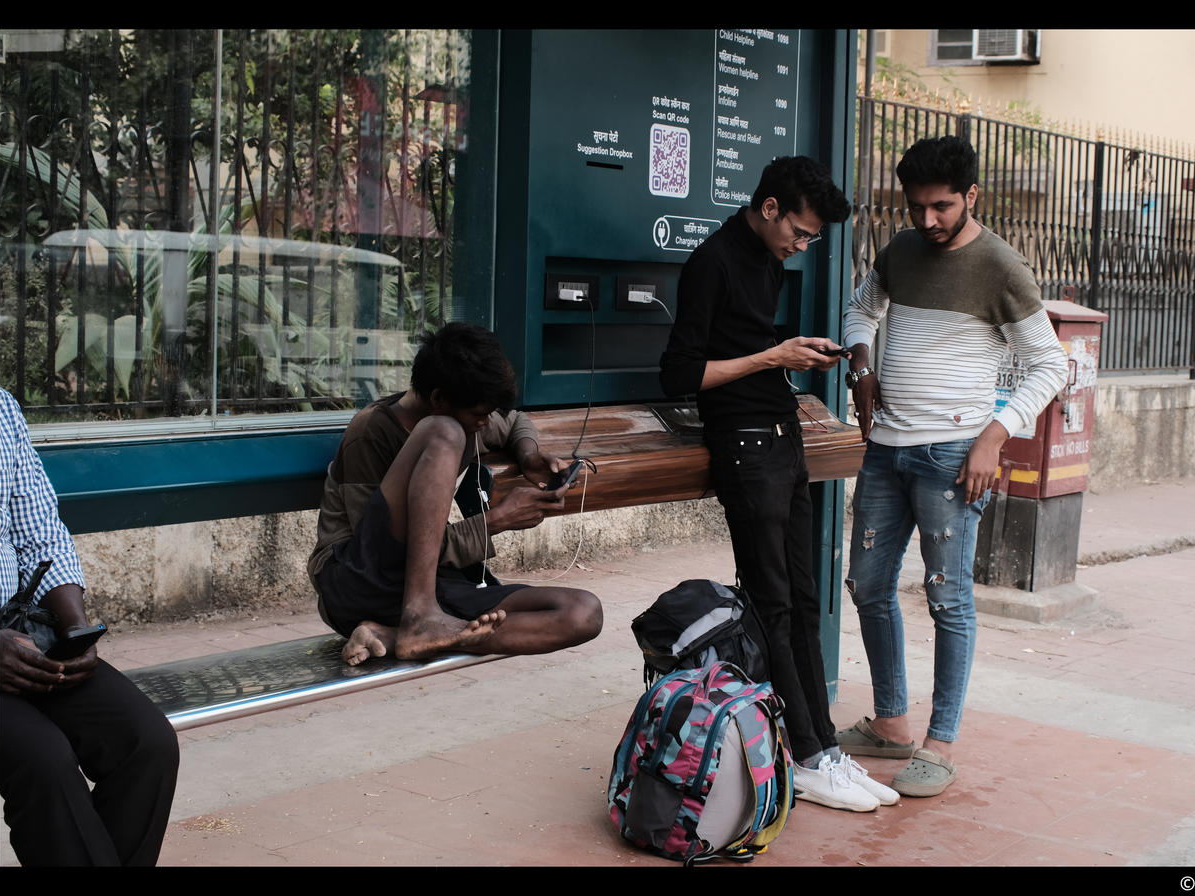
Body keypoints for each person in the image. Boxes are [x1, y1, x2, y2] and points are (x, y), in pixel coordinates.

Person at [659, 155, 898, 813]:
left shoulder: (767, 260)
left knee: (804, 596)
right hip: (743, 448)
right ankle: (808, 753)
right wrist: (774, 355)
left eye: (812, 238)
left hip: (781, 439)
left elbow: (753, 351)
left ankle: (824, 748)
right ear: (769, 208)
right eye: (800, 231)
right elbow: (679, 372)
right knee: (773, 602)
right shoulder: (711, 262)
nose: (802, 245)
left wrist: (798, 354)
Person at [839, 135, 1069, 797]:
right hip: (886, 450)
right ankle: (891, 723)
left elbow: (1051, 364)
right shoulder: (902, 251)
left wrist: (995, 436)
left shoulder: (1001, 266)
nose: (926, 220)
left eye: (941, 206)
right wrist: (861, 365)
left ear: (972, 196)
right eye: (915, 207)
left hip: (953, 459)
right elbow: (863, 309)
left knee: (947, 598)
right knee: (867, 583)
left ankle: (939, 744)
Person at [308, 322, 603, 665]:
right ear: (437, 398)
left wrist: (528, 455)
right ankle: (421, 621)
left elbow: (514, 421)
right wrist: (493, 522)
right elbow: (378, 554)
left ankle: (399, 635)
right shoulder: (374, 431)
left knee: (582, 612)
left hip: (429, 585)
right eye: (479, 415)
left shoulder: (467, 415)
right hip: (356, 582)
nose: (485, 423)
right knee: (442, 431)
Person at [0, 388, 180, 866]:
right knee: (44, 761)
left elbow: (40, 532)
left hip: (20, 629)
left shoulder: (0, 407)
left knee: (146, 743)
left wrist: (75, 628)